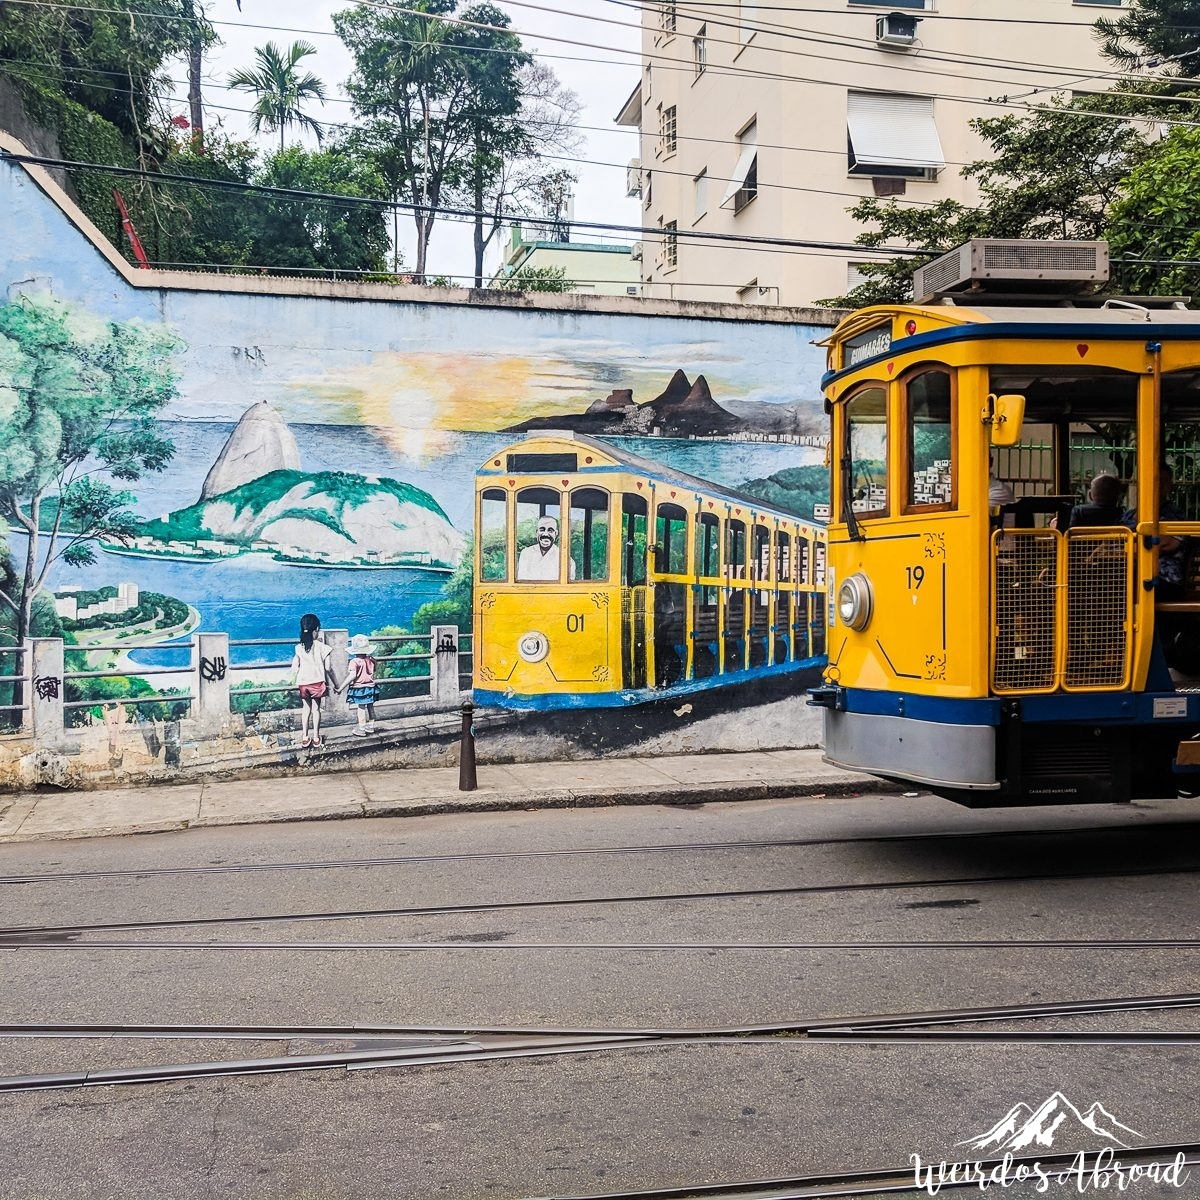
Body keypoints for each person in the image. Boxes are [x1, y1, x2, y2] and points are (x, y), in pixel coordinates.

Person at [291, 612, 334, 748]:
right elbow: (328, 668)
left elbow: (294, 667)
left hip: (303, 683)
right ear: (317, 629)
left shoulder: (299, 647)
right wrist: (336, 683)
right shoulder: (323, 647)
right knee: (316, 709)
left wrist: (295, 680)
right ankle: (316, 738)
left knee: (306, 709)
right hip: (317, 682)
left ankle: (305, 737)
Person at [340, 632, 378, 736]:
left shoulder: (354, 661)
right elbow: (374, 669)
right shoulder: (371, 659)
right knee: (370, 706)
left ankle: (361, 728)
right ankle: (371, 726)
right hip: (371, 686)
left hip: (359, 688)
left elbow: (353, 675)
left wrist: (341, 687)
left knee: (361, 707)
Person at [517, 515, 575, 581]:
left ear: (556, 533)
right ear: (537, 532)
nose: (545, 534)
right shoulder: (526, 554)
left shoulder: (566, 560)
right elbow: (521, 582)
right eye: (542, 530)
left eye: (550, 530)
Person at [1059, 473, 1123, 533]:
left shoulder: (1079, 511)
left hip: (1081, 544)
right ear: (1117, 495)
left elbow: (1067, 535)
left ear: (1090, 495)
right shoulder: (1121, 514)